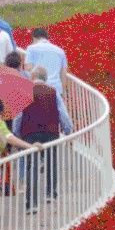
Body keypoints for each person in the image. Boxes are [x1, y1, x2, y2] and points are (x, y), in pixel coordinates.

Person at [14, 66, 74, 213]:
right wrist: (68, 131)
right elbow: (63, 114)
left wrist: (16, 135)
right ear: (45, 78)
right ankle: (50, 194)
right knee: (51, 162)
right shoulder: (53, 92)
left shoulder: (25, 92)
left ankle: (31, 203)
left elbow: (19, 116)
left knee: (31, 166)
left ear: (32, 76)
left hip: (30, 133)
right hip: (50, 131)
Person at [25, 27, 68, 93]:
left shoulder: (31, 49)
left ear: (34, 38)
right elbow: (63, 74)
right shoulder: (60, 51)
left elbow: (28, 68)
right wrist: (63, 92)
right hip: (56, 88)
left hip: (39, 88)